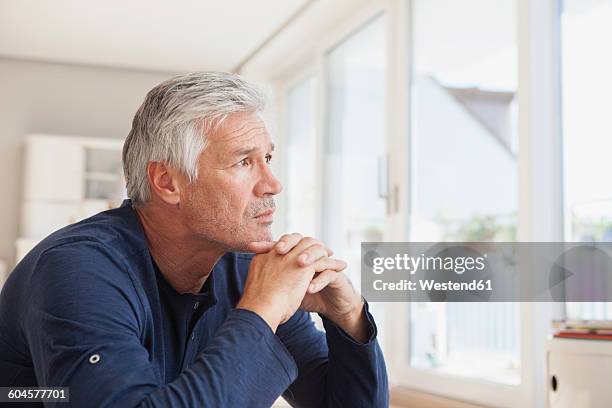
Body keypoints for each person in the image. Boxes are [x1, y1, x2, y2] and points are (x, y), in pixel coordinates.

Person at [0, 72, 388, 407]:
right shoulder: (78, 269)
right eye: (243, 162)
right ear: (168, 182)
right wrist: (261, 311)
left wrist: (349, 317)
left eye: (267, 159)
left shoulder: (243, 270)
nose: (273, 184)